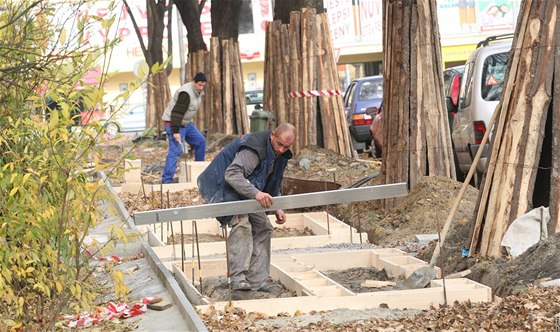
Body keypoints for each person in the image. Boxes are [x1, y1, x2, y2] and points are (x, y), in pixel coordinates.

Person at [197, 123, 296, 291]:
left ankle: (257, 280)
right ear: (272, 135)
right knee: (241, 224)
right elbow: (232, 174)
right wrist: (256, 194)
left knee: (263, 226)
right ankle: (238, 278)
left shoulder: (281, 154)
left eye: (286, 147)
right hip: (221, 187)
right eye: (279, 144)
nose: (281, 149)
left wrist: (277, 205)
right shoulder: (254, 149)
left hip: (243, 190)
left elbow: (272, 180)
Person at [161, 72, 208, 183]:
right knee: (176, 150)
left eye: (203, 86)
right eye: (199, 85)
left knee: (200, 141)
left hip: (186, 124)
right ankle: (167, 180)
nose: (201, 88)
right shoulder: (186, 93)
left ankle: (198, 175)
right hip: (174, 123)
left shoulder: (197, 92)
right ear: (193, 82)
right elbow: (176, 113)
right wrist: (176, 132)